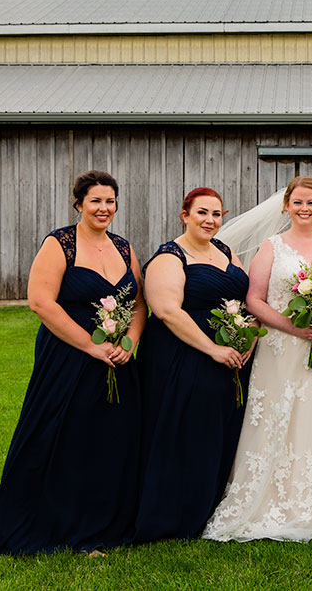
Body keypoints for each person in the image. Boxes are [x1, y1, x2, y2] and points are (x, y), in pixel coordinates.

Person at [0, 170, 146, 554]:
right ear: (79, 203)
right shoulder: (60, 243)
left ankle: (105, 520)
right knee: (64, 436)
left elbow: (139, 302)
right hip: (68, 357)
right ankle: (57, 521)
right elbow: (40, 301)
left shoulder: (124, 247)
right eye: (95, 201)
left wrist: (128, 341)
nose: (104, 208)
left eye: (110, 201)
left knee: (110, 441)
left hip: (117, 360)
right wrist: (91, 346)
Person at [203, 176, 312, 542]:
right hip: (283, 347)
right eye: (298, 203)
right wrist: (296, 328)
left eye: (311, 203)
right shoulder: (272, 246)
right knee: (282, 418)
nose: (304, 209)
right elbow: (255, 300)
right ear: (286, 206)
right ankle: (273, 500)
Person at [132, 187, 255, 542]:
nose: (210, 220)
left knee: (219, 429)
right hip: (184, 356)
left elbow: (244, 299)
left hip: (229, 356)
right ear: (184, 214)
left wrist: (247, 338)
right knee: (186, 431)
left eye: (217, 214)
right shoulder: (169, 257)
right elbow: (167, 311)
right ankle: (176, 512)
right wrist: (213, 350)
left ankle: (211, 504)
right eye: (202, 212)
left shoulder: (225, 251)